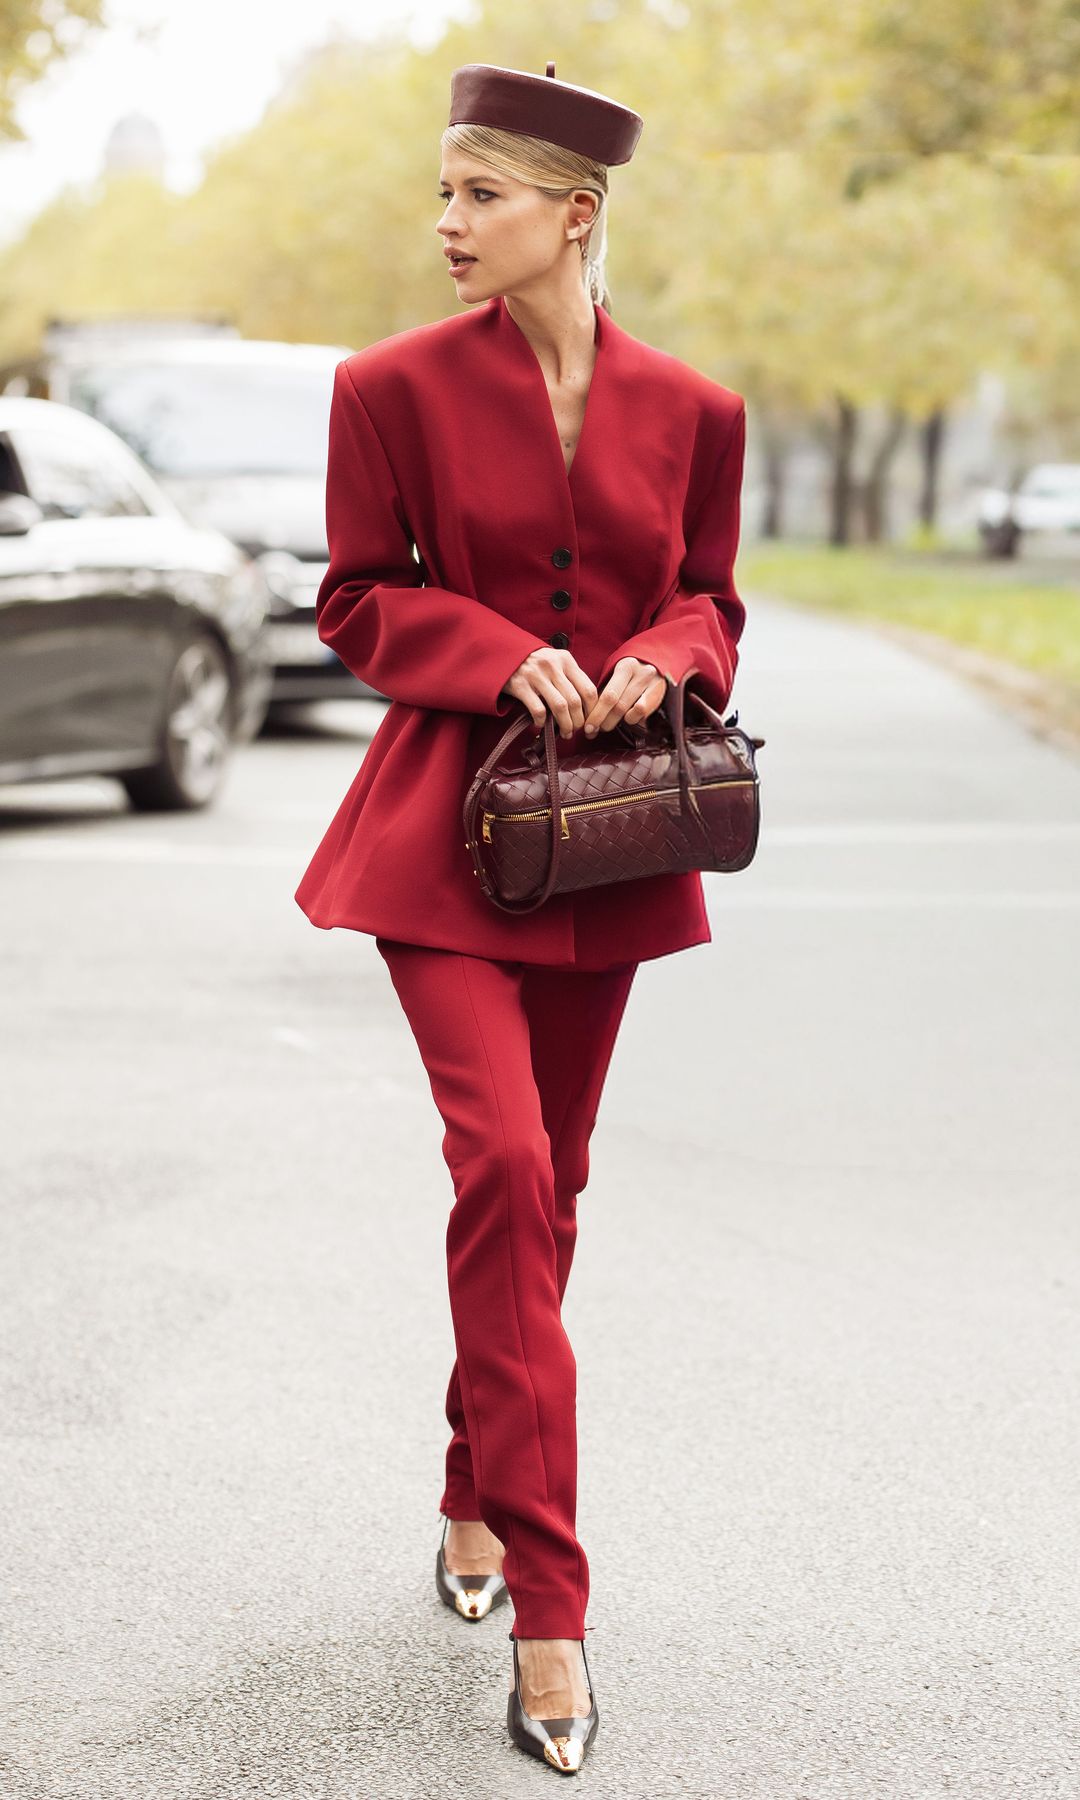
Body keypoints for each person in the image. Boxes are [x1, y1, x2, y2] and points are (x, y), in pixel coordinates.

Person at [294, 58, 748, 1776]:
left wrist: (657, 658)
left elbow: (715, 599)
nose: (447, 226)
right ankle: (554, 1612)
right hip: (441, 842)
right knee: (499, 1163)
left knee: (548, 1189)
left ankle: (475, 1480)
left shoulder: (696, 410)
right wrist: (502, 656)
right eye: (443, 193)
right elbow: (354, 596)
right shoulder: (386, 387)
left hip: (610, 846)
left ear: (576, 213)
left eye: (479, 197)